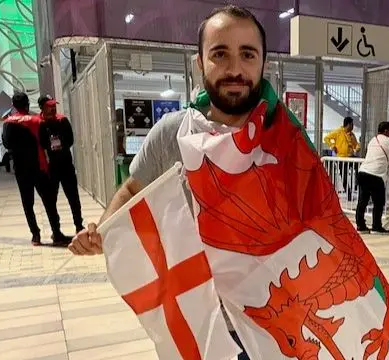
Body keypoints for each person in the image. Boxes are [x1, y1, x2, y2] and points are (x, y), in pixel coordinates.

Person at [68, 6, 278, 358]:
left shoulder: (285, 143)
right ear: (200, 63)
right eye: (220, 54)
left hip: (271, 317)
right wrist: (103, 232)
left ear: (262, 64)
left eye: (247, 54)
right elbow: (133, 189)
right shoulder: (172, 134)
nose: (234, 68)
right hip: (200, 318)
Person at [3, 91, 70, 246]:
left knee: (28, 203)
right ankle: (56, 232)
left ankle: (36, 235)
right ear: (27, 105)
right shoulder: (36, 122)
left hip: (21, 170)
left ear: (13, 106)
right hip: (39, 167)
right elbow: (46, 143)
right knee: (49, 201)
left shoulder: (8, 123)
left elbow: (7, 145)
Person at [38, 95, 84, 233]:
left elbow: (70, 140)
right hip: (51, 168)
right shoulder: (40, 124)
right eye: (49, 106)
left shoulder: (62, 121)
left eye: (54, 106)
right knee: (51, 200)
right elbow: (41, 143)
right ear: (42, 108)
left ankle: (78, 225)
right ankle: (56, 231)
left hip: (66, 165)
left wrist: (60, 145)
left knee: (73, 197)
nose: (52, 109)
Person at [355, 121, 389, 234]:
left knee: (362, 201)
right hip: (376, 175)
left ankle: (361, 226)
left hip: (362, 172)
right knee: (378, 202)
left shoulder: (373, 139)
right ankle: (376, 226)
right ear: (386, 131)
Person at [324, 117, 360, 199]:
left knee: (359, 169)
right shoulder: (338, 132)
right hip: (341, 158)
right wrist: (332, 146)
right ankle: (349, 194)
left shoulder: (352, 135)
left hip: (351, 157)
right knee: (344, 176)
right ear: (348, 124)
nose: (353, 126)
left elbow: (356, 144)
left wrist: (357, 148)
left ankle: (357, 184)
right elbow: (326, 138)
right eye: (352, 124)